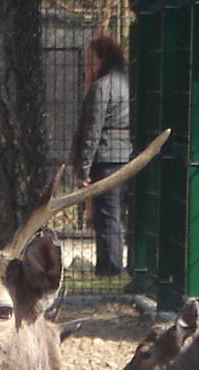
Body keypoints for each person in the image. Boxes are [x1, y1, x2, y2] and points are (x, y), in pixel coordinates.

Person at [69, 33, 132, 277]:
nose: (88, 66)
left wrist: (83, 168)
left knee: (107, 216)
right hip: (128, 156)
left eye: (91, 60)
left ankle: (109, 267)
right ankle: (122, 265)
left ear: (103, 59)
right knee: (118, 214)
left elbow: (92, 129)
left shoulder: (102, 86)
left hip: (105, 159)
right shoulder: (128, 82)